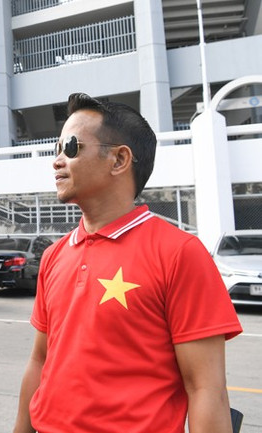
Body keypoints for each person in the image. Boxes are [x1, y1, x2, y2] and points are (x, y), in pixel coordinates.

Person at [13, 93, 243, 433]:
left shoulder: (180, 253)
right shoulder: (54, 256)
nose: (58, 160)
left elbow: (205, 388)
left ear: (119, 159)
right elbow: (40, 361)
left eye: (72, 146)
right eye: (56, 148)